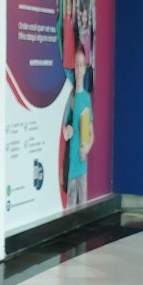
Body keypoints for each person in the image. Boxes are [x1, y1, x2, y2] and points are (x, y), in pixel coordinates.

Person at [62, 42, 94, 207]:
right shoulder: (70, 97)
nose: (79, 68)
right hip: (72, 163)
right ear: (74, 68)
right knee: (70, 207)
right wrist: (67, 130)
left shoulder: (86, 98)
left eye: (82, 65)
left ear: (85, 68)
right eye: (77, 64)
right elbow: (64, 129)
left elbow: (91, 133)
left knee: (83, 207)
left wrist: (87, 148)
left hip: (82, 165)